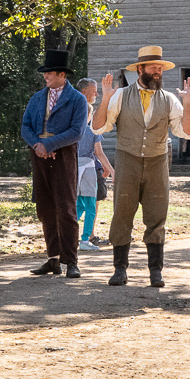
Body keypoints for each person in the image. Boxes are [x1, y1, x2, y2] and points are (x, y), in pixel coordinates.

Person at [92, 45, 190, 287]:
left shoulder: (170, 99)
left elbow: (187, 132)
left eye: (160, 68)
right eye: (153, 67)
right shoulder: (120, 96)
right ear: (140, 69)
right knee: (122, 214)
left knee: (157, 215)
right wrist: (106, 98)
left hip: (157, 162)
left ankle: (155, 271)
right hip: (127, 160)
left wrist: (188, 102)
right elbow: (98, 128)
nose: (158, 71)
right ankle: (120, 269)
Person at [21, 50, 89, 278]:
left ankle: (71, 261)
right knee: (45, 209)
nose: (45, 76)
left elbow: (76, 132)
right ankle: (53, 259)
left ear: (62, 74)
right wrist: (38, 146)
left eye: (48, 73)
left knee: (66, 209)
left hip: (64, 157)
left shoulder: (77, 99)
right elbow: (25, 126)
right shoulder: (38, 97)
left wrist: (50, 146)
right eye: (45, 73)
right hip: (39, 156)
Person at [74, 78, 113, 250]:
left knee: (78, 204)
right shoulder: (91, 128)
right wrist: (112, 170)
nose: (96, 94)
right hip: (88, 166)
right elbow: (99, 152)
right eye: (94, 90)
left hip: (73, 166)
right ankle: (84, 240)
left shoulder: (71, 126)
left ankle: (66, 235)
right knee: (90, 204)